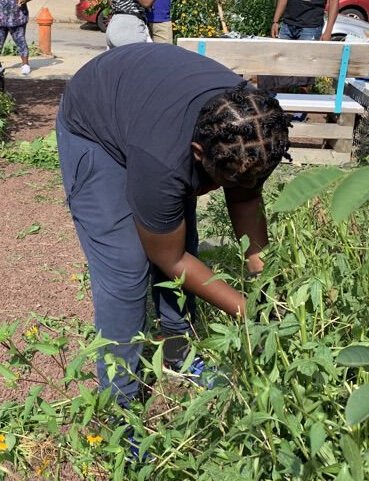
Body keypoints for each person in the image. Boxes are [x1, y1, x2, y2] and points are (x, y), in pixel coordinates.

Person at [56, 43, 290, 405]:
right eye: (217, 180)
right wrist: (249, 311)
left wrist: (267, 286)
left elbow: (246, 196)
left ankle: (177, 353)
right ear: (197, 152)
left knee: (179, 230)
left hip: (149, 108)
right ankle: (122, 403)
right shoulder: (164, 159)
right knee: (126, 266)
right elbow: (172, 259)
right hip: (96, 123)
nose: (215, 190)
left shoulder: (255, 128)